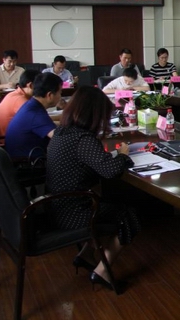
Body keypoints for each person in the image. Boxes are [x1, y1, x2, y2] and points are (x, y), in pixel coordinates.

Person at [46, 85, 140, 291]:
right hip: (73, 212)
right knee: (127, 215)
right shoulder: (83, 139)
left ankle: (86, 255)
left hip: (55, 205)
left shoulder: (62, 132)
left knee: (111, 202)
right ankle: (102, 272)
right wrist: (123, 154)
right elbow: (110, 171)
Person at [4, 72, 62, 159]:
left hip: (20, 157)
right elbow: (60, 139)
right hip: (28, 162)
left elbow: (48, 125)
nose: (60, 96)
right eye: (60, 92)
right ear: (50, 95)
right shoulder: (36, 113)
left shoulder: (31, 105)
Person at [0, 69, 39, 137]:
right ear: (31, 85)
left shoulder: (15, 94)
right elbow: (39, 121)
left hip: (8, 136)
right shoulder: (20, 100)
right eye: (40, 86)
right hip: (6, 140)